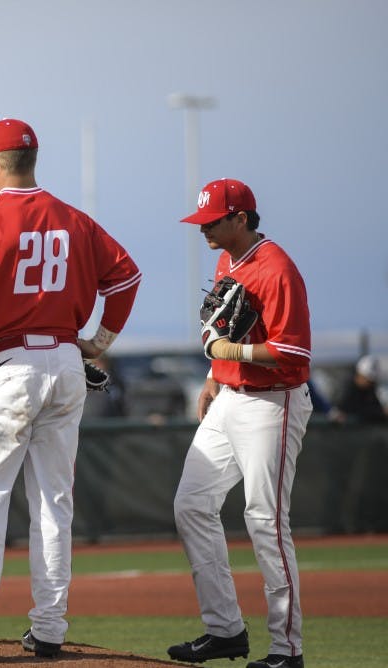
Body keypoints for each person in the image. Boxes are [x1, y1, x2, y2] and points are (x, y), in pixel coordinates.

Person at [0, 118, 140, 659]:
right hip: (64, 361)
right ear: (32, 160)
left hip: (9, 363)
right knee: (53, 504)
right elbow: (127, 276)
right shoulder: (75, 220)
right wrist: (99, 339)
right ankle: (50, 628)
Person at [168, 179, 311, 668]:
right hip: (230, 395)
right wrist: (214, 373)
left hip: (274, 401)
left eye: (213, 220)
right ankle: (225, 630)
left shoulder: (278, 269)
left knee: (264, 521)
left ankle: (286, 650)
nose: (204, 228)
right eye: (202, 220)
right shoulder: (227, 258)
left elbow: (293, 352)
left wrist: (229, 352)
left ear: (242, 219)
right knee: (191, 504)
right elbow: (225, 328)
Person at [333, 355, 387, 422]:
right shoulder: (346, 389)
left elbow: (373, 405)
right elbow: (356, 409)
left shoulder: (369, 389)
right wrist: (381, 412)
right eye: (368, 379)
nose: (370, 383)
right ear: (359, 374)